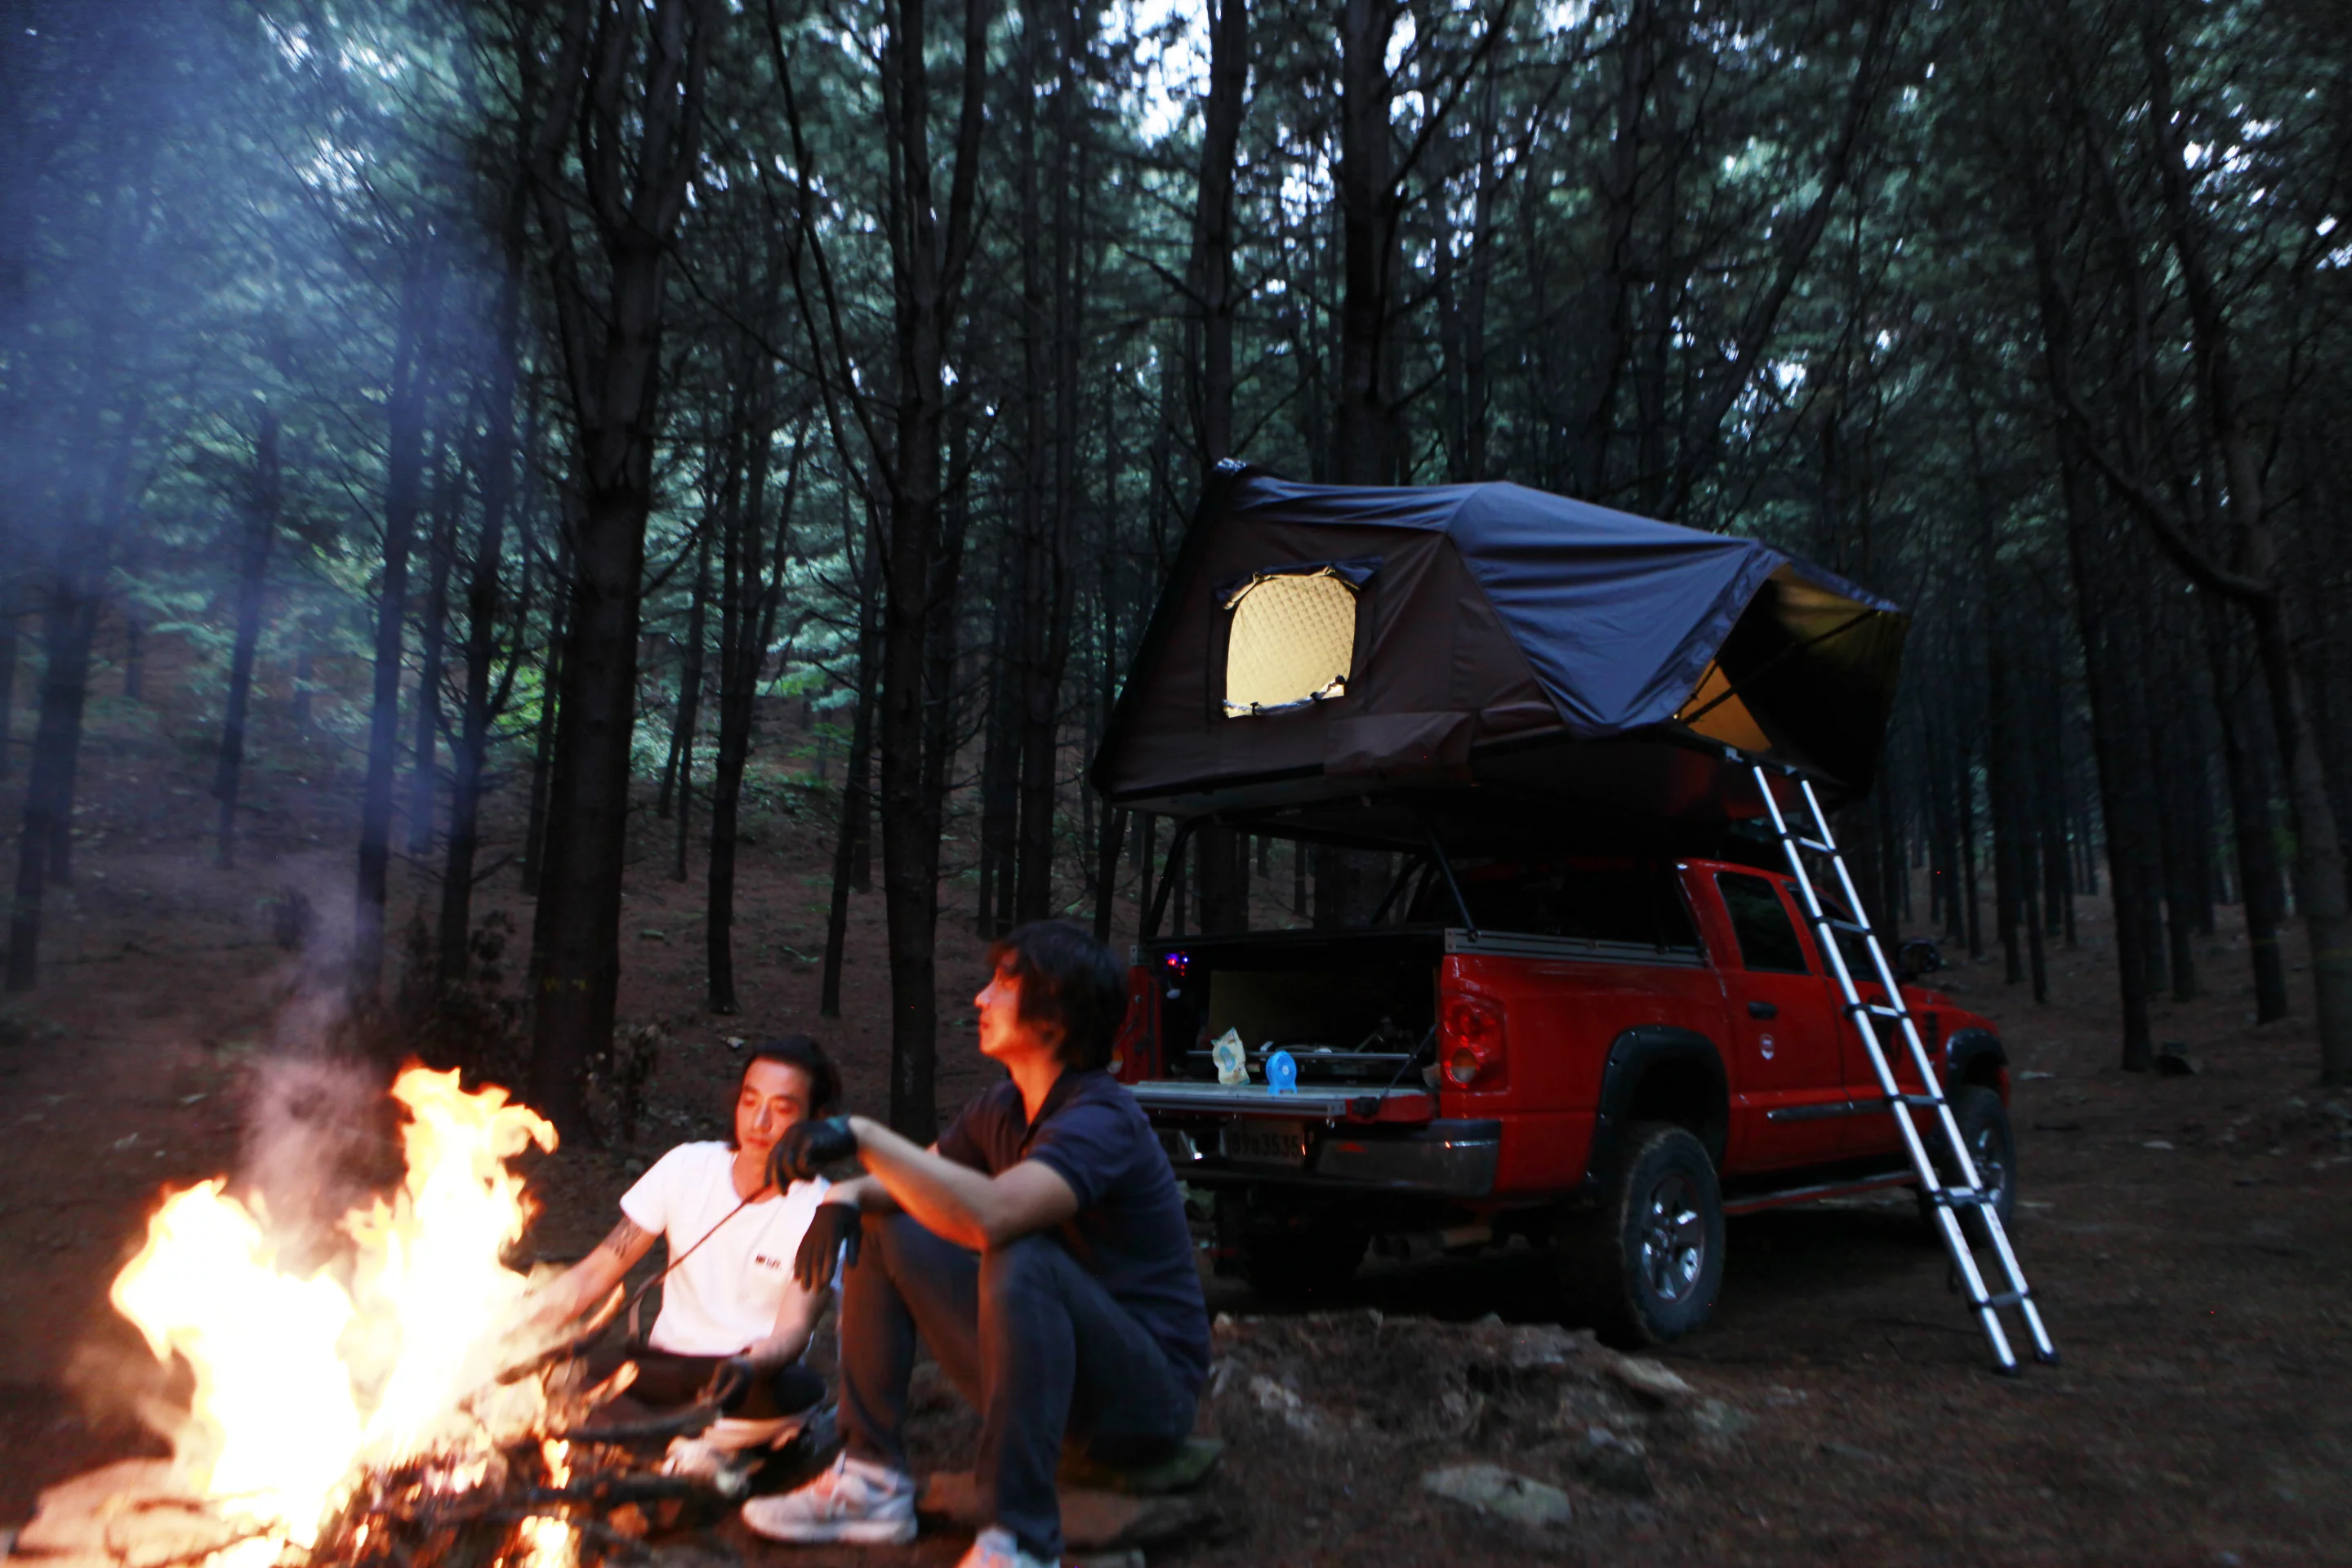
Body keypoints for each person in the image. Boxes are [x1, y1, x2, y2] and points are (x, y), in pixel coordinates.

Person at [742, 920, 1209, 1568]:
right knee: (886, 1226)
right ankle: (872, 1482)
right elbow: (913, 1186)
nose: (980, 999)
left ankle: (1018, 1540)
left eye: (1003, 985)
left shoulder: (1102, 1118)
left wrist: (864, 1137)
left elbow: (994, 1215)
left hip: (1144, 1400)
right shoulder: (999, 1107)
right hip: (1050, 1376)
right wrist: (844, 1199)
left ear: (1056, 1015)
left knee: (1019, 1251)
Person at [532, 1036, 841, 1477]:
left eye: (783, 1109)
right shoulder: (687, 1167)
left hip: (744, 1380)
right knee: (557, 1376)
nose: (761, 1121)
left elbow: (794, 1329)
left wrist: (751, 1364)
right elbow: (599, 1269)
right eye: (750, 1101)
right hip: (661, 1370)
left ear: (817, 1122)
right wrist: (517, 1331)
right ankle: (691, 1450)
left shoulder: (824, 1211)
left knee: (799, 1390)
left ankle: (642, 1443)